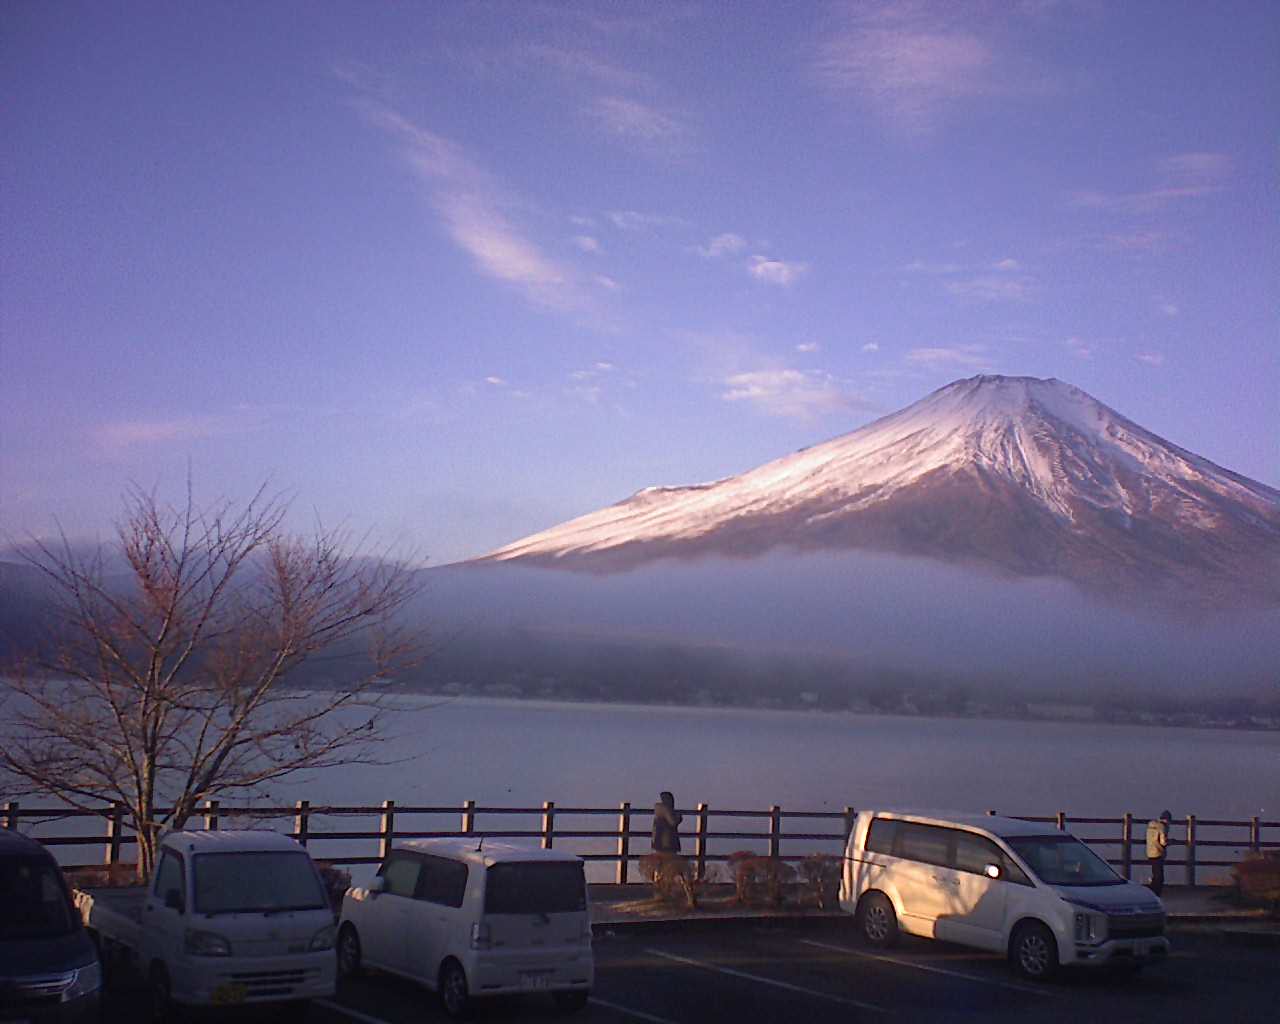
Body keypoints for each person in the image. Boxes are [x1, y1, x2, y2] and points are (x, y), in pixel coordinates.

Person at [1146, 810, 1172, 895]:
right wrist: (1171, 842)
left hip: (1150, 852)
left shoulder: (1151, 825)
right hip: (1158, 853)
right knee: (1159, 877)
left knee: (1155, 874)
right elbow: (1163, 842)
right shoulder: (1162, 827)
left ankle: (1152, 891)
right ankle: (1156, 893)